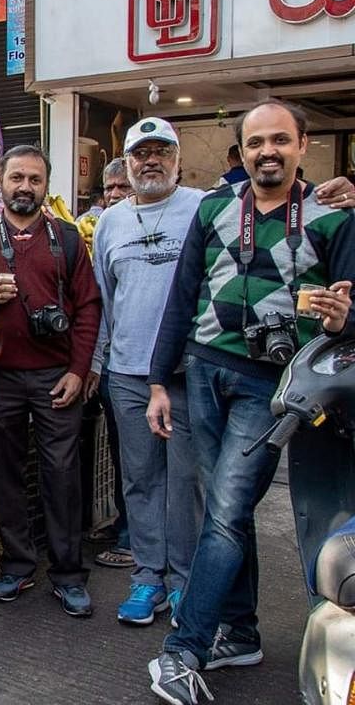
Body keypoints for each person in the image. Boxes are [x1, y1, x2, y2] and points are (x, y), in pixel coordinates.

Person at [146, 100, 354, 705]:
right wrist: (161, 381)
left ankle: (184, 651)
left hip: (273, 385)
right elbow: (182, 295)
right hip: (207, 371)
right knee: (224, 510)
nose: (269, 151)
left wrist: (347, 315)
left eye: (280, 141)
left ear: (303, 144)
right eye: (257, 142)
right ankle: (240, 632)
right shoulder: (215, 208)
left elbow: (351, 308)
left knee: (227, 511)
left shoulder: (333, 217)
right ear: (241, 151)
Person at [0, 144, 102, 617]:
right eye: (17, 178)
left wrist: (78, 369)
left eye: (35, 180)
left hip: (55, 377)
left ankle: (68, 573)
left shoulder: (66, 239)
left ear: (47, 186)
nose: (25, 187)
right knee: (6, 474)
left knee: (62, 475)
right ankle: (18, 564)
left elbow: (88, 307)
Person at [89, 119, 205, 629]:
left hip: (186, 372)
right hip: (128, 373)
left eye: (161, 151)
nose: (150, 161)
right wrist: (98, 363)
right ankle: (147, 578)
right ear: (128, 161)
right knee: (139, 480)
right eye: (141, 153)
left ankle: (185, 583)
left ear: (177, 159)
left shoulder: (203, 207)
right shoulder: (111, 221)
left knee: (185, 482)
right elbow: (102, 302)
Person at [85, 158, 134, 569]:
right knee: (125, 454)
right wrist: (95, 362)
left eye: (124, 186)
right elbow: (97, 303)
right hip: (116, 365)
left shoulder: (190, 212)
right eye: (110, 189)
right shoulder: (104, 227)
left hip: (166, 367)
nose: (116, 194)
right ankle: (130, 533)